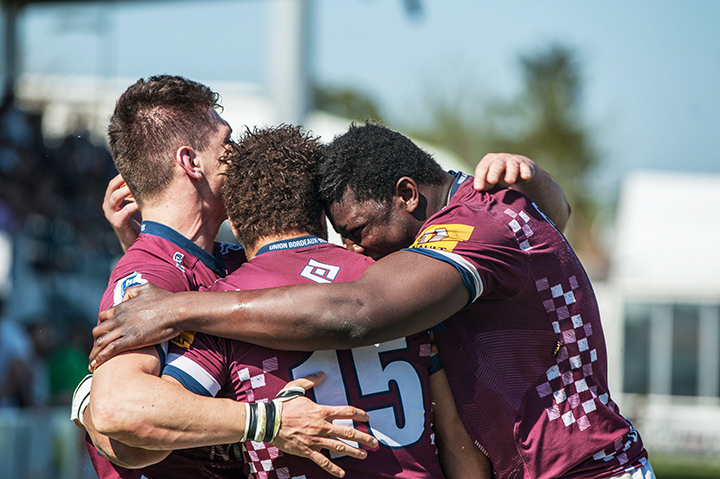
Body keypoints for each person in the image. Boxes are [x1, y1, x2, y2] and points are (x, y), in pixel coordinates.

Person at [94, 122, 655, 479]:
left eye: (359, 230)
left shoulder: (471, 226)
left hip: (584, 468)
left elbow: (357, 313)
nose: (355, 249)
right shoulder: (465, 228)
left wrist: (178, 308)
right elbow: (548, 222)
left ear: (407, 193)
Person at [76, 75, 375, 479]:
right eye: (227, 142)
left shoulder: (228, 260)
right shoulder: (147, 272)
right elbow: (120, 412)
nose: (238, 153)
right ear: (191, 162)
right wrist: (270, 421)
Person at [154, 124, 491, 478]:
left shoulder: (217, 308)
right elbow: (455, 435)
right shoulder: (399, 284)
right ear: (321, 213)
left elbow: (153, 418)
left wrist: (262, 422)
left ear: (235, 225)